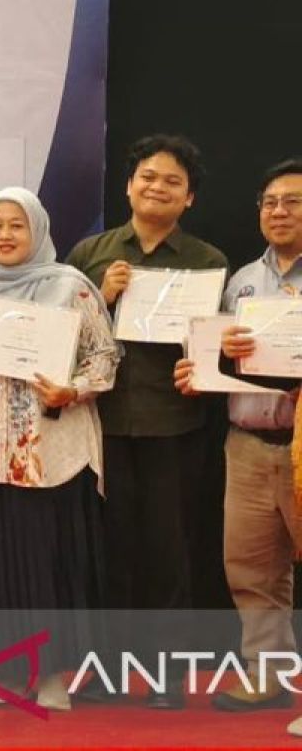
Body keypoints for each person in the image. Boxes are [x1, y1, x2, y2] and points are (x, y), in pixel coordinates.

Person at [65, 135, 227, 709]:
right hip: (101, 426)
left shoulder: (208, 262)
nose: (157, 187)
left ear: (189, 198)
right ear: (129, 186)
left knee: (169, 553)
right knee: (108, 552)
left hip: (174, 426)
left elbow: (221, 348)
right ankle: (106, 672)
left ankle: (167, 676)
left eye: (172, 181)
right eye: (148, 177)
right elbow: (62, 338)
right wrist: (102, 297)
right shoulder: (90, 254)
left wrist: (202, 368)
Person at [0, 187, 118, 711]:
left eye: (16, 225)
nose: (5, 235)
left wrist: (73, 389)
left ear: (38, 230)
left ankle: (51, 678)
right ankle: (2, 668)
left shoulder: (71, 286)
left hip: (51, 453)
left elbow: (105, 357)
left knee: (49, 564)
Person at [176, 159, 302, 726]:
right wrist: (198, 370)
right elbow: (217, 358)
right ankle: (267, 675)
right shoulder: (242, 281)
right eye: (270, 202)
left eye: (293, 201)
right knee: (252, 571)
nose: (279, 211)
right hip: (247, 443)